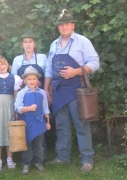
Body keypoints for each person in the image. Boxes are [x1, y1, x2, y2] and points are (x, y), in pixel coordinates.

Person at [44, 9, 100, 173]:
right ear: (58, 27)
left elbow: (95, 63)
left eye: (67, 23)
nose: (64, 27)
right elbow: (49, 68)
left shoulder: (82, 42)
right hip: (59, 91)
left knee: (82, 126)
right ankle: (62, 157)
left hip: (77, 90)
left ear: (72, 25)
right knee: (61, 126)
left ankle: (87, 160)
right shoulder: (54, 44)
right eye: (61, 24)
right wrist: (47, 88)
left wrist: (75, 71)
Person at [14, 66, 50, 175]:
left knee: (39, 144)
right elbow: (17, 108)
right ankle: (26, 163)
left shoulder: (42, 92)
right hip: (27, 123)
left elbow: (45, 108)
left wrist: (47, 122)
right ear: (24, 80)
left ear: (37, 80)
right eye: (29, 79)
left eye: (34, 79)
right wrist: (28, 108)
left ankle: (38, 161)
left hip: (39, 121)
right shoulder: (21, 93)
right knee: (27, 144)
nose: (32, 81)